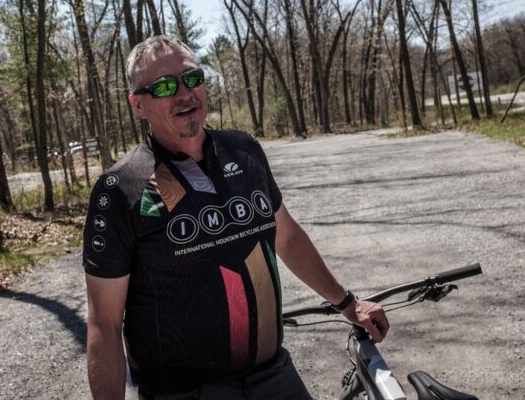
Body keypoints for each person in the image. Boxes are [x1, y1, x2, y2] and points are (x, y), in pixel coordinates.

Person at [83, 35, 389, 400]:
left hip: (274, 375)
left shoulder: (243, 150)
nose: (184, 94)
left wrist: (348, 304)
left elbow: (286, 237)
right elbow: (104, 321)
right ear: (138, 105)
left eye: (192, 78)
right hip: (183, 392)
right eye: (165, 86)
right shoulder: (122, 187)